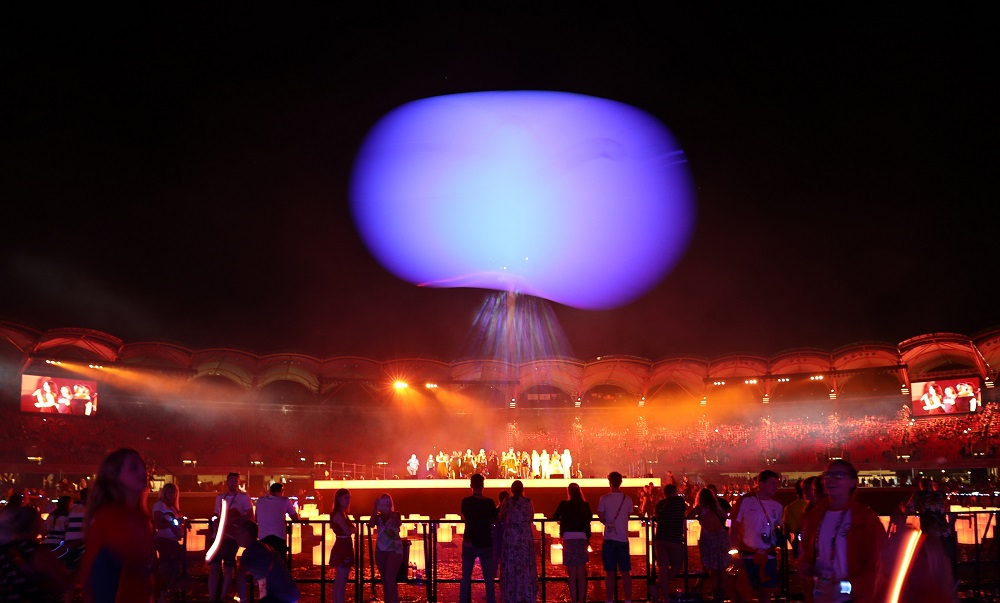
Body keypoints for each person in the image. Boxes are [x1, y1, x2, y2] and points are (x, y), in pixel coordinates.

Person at [799, 460, 886, 603]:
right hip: (819, 595)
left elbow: (875, 566)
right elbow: (807, 553)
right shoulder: (815, 516)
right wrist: (805, 564)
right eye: (827, 475)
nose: (831, 479)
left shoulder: (865, 519)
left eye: (839, 475)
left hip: (853, 598)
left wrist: (844, 587)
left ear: (852, 482)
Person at [81, 447, 155, 603]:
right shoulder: (109, 517)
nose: (144, 472)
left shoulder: (140, 517)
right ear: (114, 476)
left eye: (144, 467)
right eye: (134, 467)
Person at [730, 469, 783, 603]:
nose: (775, 487)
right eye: (772, 483)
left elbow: (777, 527)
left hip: (768, 556)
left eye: (777, 483)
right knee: (743, 594)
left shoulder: (777, 506)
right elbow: (734, 527)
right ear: (761, 484)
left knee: (766, 595)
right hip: (747, 555)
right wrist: (734, 553)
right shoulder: (746, 501)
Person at [0, 504, 70, 602]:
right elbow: (61, 583)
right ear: (34, 524)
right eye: (40, 520)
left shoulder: (5, 550)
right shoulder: (35, 551)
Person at [208, 471, 255, 603]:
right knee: (214, 567)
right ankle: (213, 598)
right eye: (231, 481)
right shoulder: (220, 497)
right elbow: (215, 514)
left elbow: (250, 516)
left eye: (235, 481)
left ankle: (222, 597)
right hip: (218, 536)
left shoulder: (244, 497)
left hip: (232, 537)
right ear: (227, 482)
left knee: (228, 568)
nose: (233, 483)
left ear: (238, 482)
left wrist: (234, 519)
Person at [235, 520, 300, 603]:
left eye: (238, 534)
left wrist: (243, 599)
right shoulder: (266, 547)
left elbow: (240, 577)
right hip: (290, 592)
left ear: (246, 535)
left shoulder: (250, 552)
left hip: (278, 595)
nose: (236, 537)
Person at [551, 482, 593, 603]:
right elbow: (589, 517)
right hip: (582, 537)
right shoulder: (584, 505)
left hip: (568, 538)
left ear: (568, 492)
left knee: (571, 572)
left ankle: (574, 599)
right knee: (581, 572)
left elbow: (555, 516)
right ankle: (581, 599)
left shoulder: (564, 505)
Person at [460, 473, 498, 603]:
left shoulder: (466, 502)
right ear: (483, 486)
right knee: (488, 578)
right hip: (486, 541)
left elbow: (464, 515)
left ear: (471, 485)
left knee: (466, 577)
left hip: (469, 541)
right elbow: (495, 518)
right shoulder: (489, 502)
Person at [689, 486, 730, 603]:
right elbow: (725, 516)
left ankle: (716, 593)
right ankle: (721, 594)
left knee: (713, 567)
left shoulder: (701, 507)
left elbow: (689, 515)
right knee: (722, 567)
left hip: (708, 537)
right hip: (721, 537)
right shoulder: (717, 507)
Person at [499, 480, 537, 603]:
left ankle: (511, 594)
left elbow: (501, 515)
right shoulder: (528, 501)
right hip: (525, 535)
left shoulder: (507, 502)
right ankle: (526, 593)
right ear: (522, 490)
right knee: (525, 564)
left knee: (511, 563)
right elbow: (531, 517)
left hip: (511, 535)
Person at [599, 471, 634, 603]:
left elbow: (602, 518)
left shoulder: (604, 499)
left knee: (610, 572)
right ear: (621, 482)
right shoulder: (628, 499)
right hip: (623, 538)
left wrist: (609, 522)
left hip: (609, 539)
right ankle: (628, 599)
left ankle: (609, 599)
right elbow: (628, 516)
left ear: (609, 483)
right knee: (625, 572)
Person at [366, 493, 404, 603]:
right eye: (382, 502)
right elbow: (371, 524)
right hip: (381, 549)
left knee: (389, 578)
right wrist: (375, 509)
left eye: (387, 502)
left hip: (394, 550)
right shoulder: (378, 517)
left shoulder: (396, 515)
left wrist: (389, 512)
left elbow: (397, 524)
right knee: (385, 579)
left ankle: (393, 601)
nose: (385, 504)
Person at [152, 483, 186, 603]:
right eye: (170, 492)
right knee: (167, 568)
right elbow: (158, 524)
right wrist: (175, 522)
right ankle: (162, 594)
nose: (172, 495)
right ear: (164, 493)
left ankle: (166, 593)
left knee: (175, 569)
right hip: (164, 541)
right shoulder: (160, 505)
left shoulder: (173, 507)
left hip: (173, 540)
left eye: (174, 492)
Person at [653, 483, 687, 602]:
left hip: (660, 538)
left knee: (662, 569)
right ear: (675, 492)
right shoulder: (679, 502)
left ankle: (665, 597)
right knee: (677, 566)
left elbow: (657, 518)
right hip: (674, 538)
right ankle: (657, 586)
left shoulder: (659, 505)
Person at [255, 482, 299, 558]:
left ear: (270, 491)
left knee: (265, 561)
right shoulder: (284, 500)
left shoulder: (260, 500)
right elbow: (295, 518)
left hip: (263, 537)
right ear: (282, 491)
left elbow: (255, 518)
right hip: (279, 536)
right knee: (279, 561)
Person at [329, 488, 355, 603]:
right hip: (342, 546)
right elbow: (348, 531)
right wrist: (352, 529)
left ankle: (338, 600)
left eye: (349, 497)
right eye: (345, 497)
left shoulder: (342, 513)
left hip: (344, 545)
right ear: (339, 499)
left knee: (341, 578)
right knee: (341, 578)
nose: (348, 500)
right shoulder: (339, 514)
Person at [783, 479, 808, 560]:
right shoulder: (816, 507)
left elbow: (786, 530)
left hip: (798, 543)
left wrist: (793, 544)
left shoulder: (789, 508)